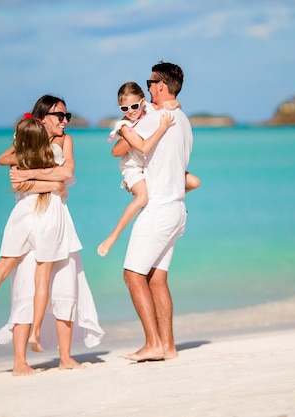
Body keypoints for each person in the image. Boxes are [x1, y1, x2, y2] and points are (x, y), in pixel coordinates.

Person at [0, 95, 104, 374]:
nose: (64, 121)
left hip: (49, 217)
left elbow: (67, 171)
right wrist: (48, 180)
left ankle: (64, 357)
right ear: (42, 117)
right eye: (59, 115)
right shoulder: (27, 142)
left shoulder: (65, 141)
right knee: (25, 285)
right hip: (40, 217)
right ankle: (20, 360)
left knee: (64, 285)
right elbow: (6, 161)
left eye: (66, 115)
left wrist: (33, 176)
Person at [115, 62, 193, 362]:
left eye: (150, 83)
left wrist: (126, 127)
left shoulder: (157, 117)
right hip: (177, 209)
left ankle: (153, 344)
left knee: (133, 276)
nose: (147, 89)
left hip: (159, 208)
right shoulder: (183, 119)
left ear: (161, 85)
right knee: (157, 279)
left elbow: (119, 150)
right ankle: (168, 346)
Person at [97, 82, 200, 257]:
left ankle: (174, 198)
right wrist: (162, 127)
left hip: (150, 165)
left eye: (134, 106)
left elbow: (173, 105)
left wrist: (176, 104)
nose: (130, 111)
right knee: (143, 197)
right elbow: (143, 148)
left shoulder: (151, 111)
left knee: (194, 182)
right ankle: (112, 237)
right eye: (124, 108)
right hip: (133, 168)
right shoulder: (123, 126)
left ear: (143, 101)